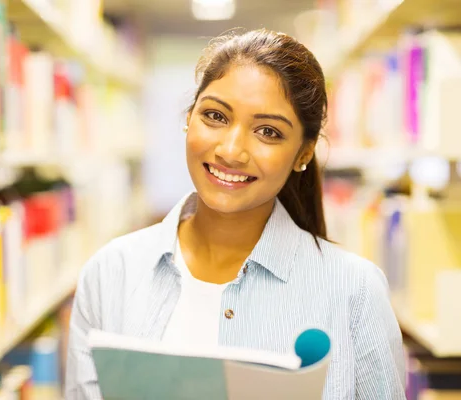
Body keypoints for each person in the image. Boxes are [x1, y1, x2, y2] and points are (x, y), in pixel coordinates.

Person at [65, 28, 406, 399]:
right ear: (189, 117)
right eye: (215, 115)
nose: (231, 150)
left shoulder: (353, 290)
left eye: (268, 132)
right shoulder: (111, 273)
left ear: (304, 154)